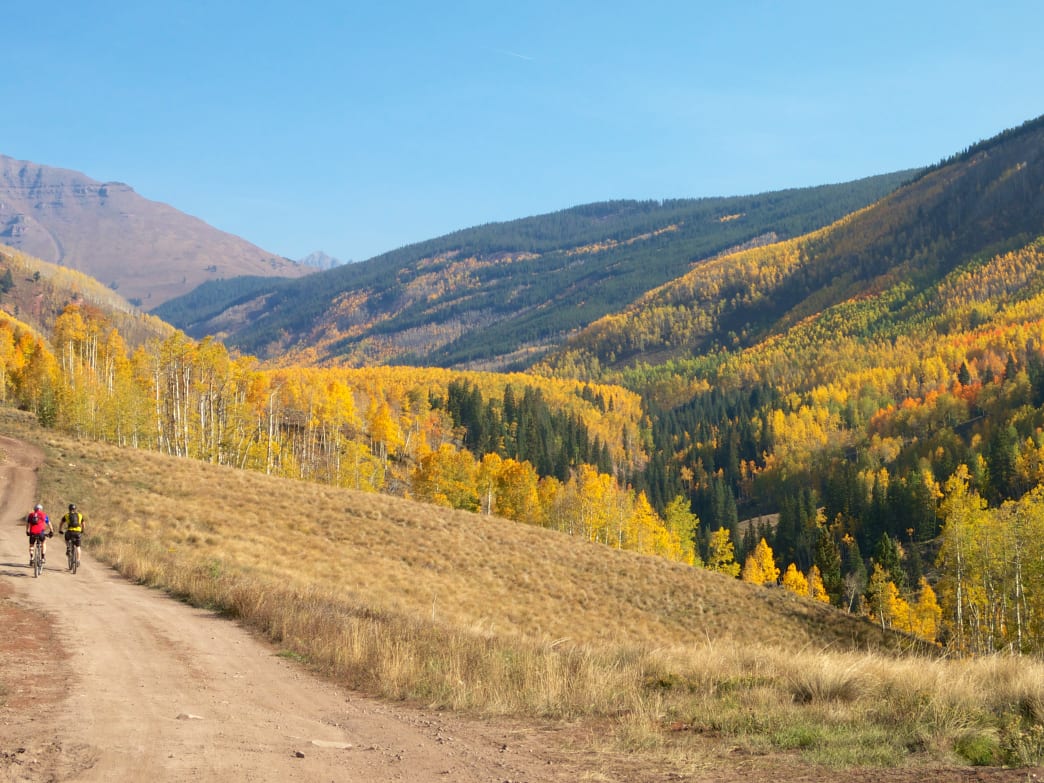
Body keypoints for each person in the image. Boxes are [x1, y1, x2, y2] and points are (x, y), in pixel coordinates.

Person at [59, 503, 85, 570]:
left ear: (69, 509)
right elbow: (83, 523)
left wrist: (60, 530)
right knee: (78, 547)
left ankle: (68, 547)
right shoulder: (80, 515)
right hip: (78, 532)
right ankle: (78, 560)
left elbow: (61, 522)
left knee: (66, 538)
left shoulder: (66, 515)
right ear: (75, 509)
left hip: (70, 532)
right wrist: (82, 530)